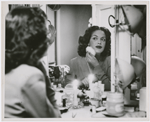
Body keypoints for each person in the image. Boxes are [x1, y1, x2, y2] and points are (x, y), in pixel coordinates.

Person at [5, 6, 61, 118]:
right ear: (33, 37)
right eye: (45, 31)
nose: (49, 36)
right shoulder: (30, 76)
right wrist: (41, 68)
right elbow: (54, 118)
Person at [70, 26, 111, 91]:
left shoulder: (110, 61)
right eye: (95, 38)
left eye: (103, 39)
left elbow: (111, 87)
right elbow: (67, 88)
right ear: (88, 42)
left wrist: (97, 66)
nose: (99, 42)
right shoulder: (75, 62)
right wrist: (80, 84)